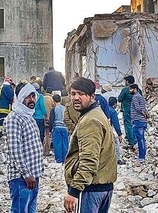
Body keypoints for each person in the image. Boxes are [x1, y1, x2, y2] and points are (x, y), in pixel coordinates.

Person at [63, 77, 117, 213]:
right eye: (73, 93)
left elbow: (89, 159)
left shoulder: (90, 120)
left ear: (92, 96)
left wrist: (74, 191)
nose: (76, 98)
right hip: (102, 186)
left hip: (91, 188)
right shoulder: (96, 114)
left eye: (81, 94)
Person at [5, 82, 44, 213]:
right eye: (28, 97)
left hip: (33, 176)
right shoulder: (14, 118)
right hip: (21, 178)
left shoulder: (28, 117)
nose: (31, 100)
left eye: (33, 96)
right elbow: (15, 149)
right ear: (20, 98)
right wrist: (27, 175)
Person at [130, 84, 148, 162]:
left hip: (138, 120)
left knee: (140, 139)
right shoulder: (141, 97)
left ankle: (141, 157)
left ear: (135, 89)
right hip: (142, 121)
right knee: (142, 139)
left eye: (130, 89)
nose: (129, 91)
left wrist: (143, 113)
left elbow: (137, 108)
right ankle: (143, 155)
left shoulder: (135, 97)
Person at [48, 94, 69, 164]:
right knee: (65, 144)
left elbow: (51, 120)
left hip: (57, 128)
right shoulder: (65, 108)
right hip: (65, 128)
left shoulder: (53, 109)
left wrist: (50, 130)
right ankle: (65, 159)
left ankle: (59, 160)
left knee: (57, 144)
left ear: (53, 101)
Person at [118, 75, 137, 148]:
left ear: (128, 82)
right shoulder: (138, 89)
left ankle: (131, 141)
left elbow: (119, 99)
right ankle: (135, 139)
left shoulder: (126, 89)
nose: (125, 83)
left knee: (128, 125)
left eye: (125, 81)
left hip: (127, 109)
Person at [108, 97, 125, 165]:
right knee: (116, 143)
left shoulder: (103, 109)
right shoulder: (112, 111)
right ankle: (118, 159)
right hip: (108, 129)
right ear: (114, 104)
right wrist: (119, 134)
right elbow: (116, 124)